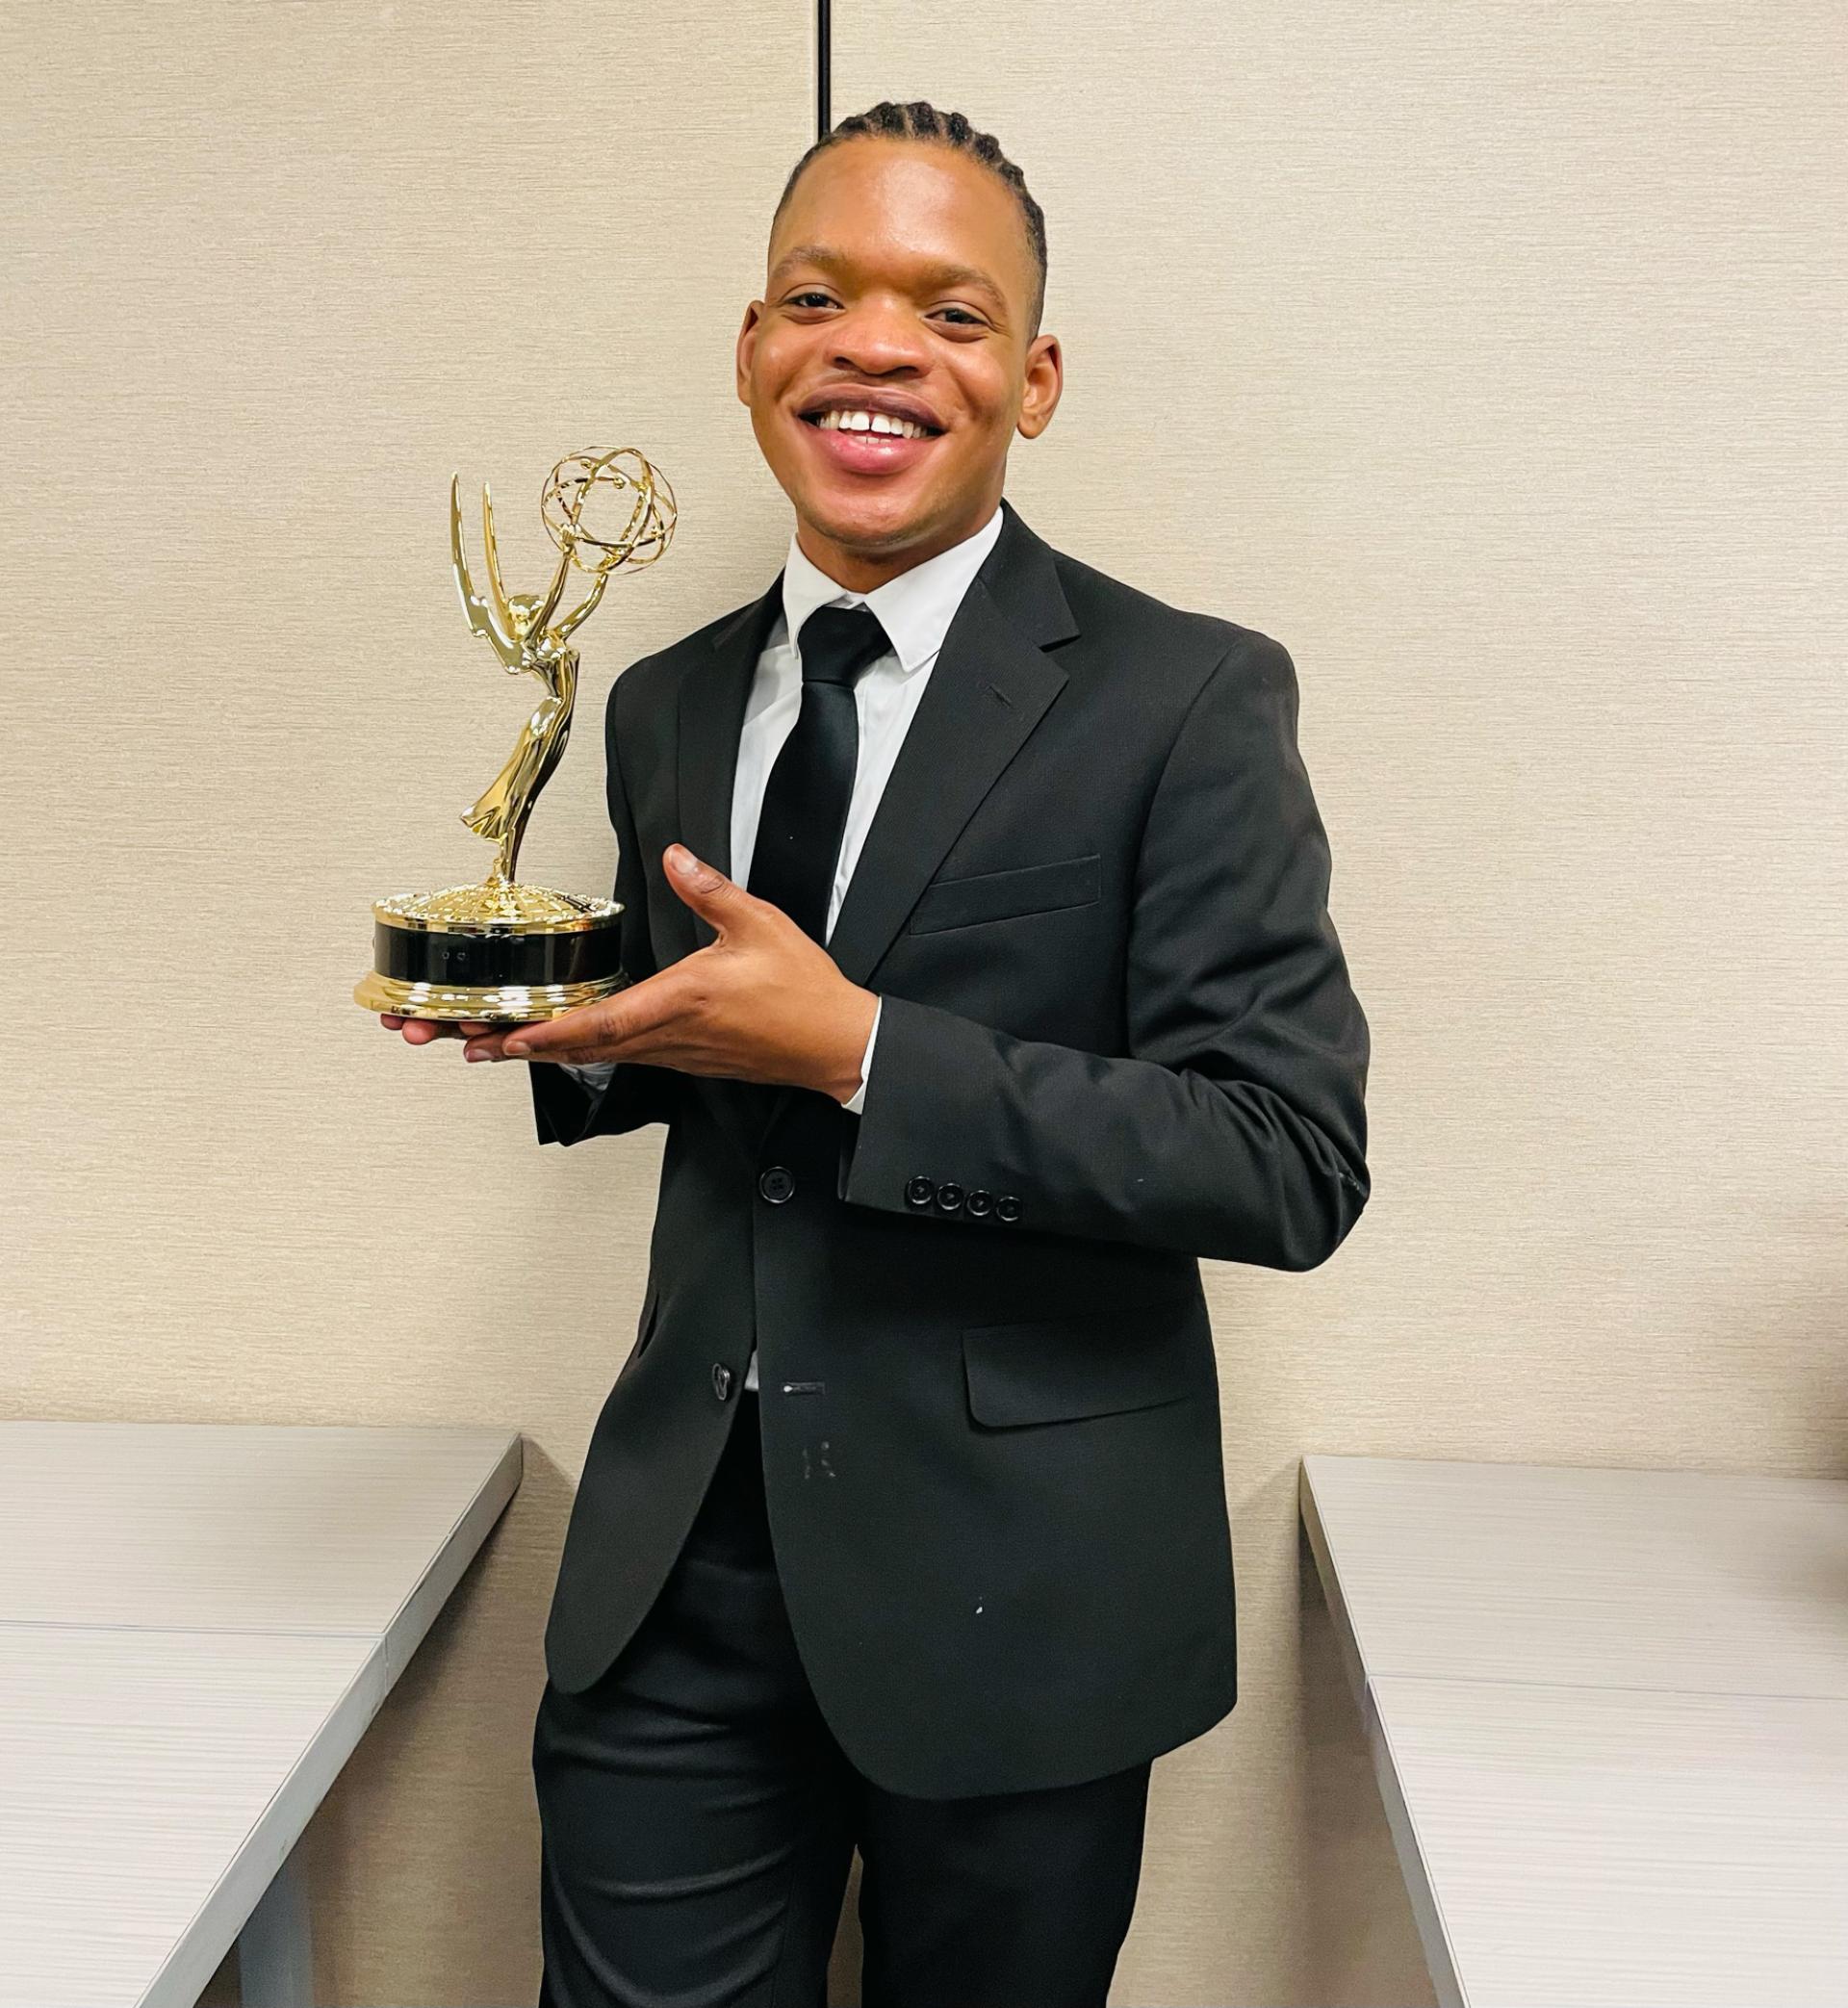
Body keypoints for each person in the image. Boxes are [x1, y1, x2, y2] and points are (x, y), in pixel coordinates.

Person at [381, 96, 1370, 2008]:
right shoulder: (664, 699)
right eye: (818, 294)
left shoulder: (1187, 695)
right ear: (754, 348)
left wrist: (863, 1052)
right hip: (679, 1566)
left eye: (954, 309)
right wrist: (561, 1032)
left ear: (1036, 377)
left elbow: (1284, 1153)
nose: (877, 343)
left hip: (1025, 1591)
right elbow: (713, 1042)